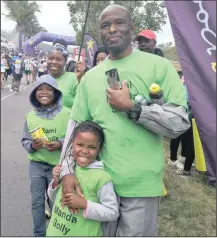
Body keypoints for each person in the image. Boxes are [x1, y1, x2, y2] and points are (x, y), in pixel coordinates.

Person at [59, 4, 190, 236]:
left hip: (141, 186)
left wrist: (134, 109)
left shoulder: (159, 67)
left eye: (119, 23)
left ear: (132, 27)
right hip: (98, 184)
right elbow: (75, 128)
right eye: (105, 25)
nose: (112, 29)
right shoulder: (90, 77)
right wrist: (67, 172)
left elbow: (179, 123)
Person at [46, 121, 119, 236]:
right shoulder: (67, 170)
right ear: (72, 145)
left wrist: (85, 204)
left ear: (99, 150)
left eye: (92, 147)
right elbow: (54, 198)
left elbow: (112, 212)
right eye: (79, 145)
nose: (85, 151)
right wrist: (55, 182)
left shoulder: (101, 177)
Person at [21, 75, 70, 236]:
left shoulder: (66, 114)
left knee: (56, 203)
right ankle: (39, 234)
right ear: (34, 92)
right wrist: (32, 146)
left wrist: (60, 144)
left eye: (49, 89)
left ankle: (55, 233)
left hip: (58, 167)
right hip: (36, 166)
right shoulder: (30, 117)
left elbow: (73, 137)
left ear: (56, 93)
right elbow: (25, 140)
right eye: (40, 89)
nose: (44, 92)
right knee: (37, 203)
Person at [47, 38, 78, 109]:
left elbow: (82, 106)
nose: (54, 62)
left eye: (58, 59)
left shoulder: (74, 78)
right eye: (51, 58)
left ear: (65, 60)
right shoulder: (43, 79)